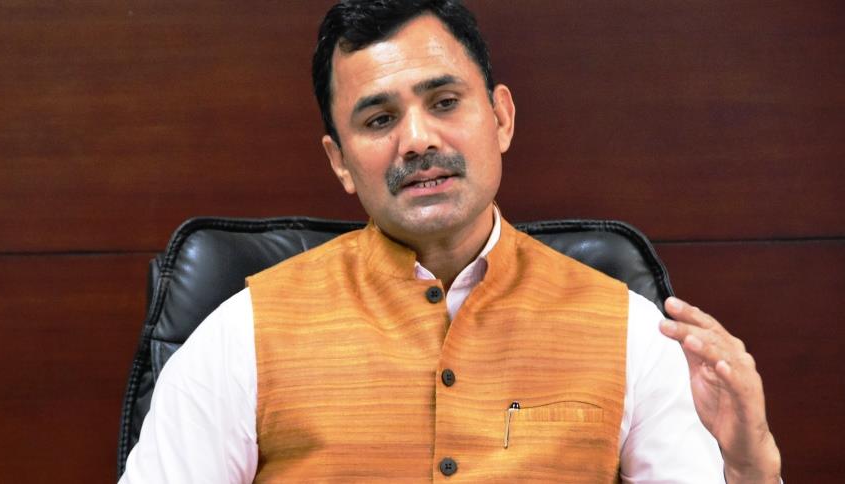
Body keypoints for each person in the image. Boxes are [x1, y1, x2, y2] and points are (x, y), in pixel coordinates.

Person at [120, 1, 782, 482]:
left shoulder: (631, 334)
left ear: (501, 118)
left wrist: (750, 465)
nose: (417, 140)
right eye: (379, 118)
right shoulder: (240, 338)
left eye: (443, 102)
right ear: (340, 162)